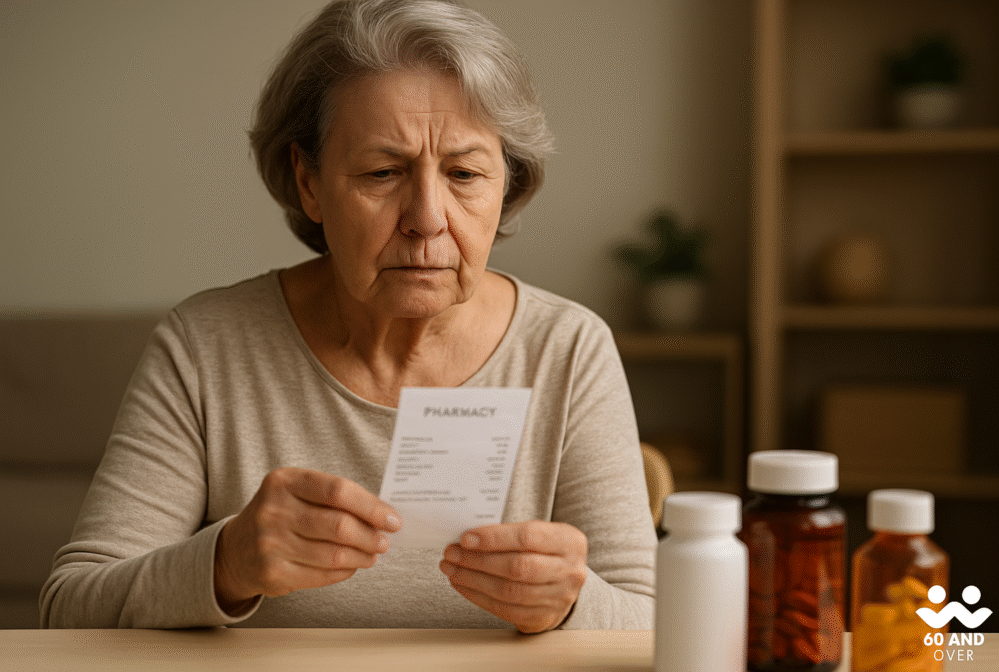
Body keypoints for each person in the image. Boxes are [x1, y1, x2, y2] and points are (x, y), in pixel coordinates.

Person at [40, 0, 655, 632]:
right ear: (309, 182)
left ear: (506, 183)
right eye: (383, 172)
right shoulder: (207, 347)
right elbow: (69, 609)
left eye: (465, 173)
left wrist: (574, 603)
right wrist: (225, 564)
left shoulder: (568, 348)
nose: (427, 218)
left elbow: (651, 621)